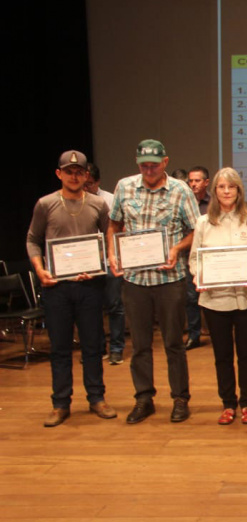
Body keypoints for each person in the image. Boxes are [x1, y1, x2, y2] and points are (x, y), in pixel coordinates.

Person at [107, 140, 200, 424]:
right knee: (140, 345)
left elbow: (196, 231)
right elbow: (114, 224)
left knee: (173, 342)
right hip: (135, 279)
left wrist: (176, 249)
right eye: (144, 165)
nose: (149, 170)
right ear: (137, 163)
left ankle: (180, 398)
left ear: (166, 162)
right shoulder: (124, 187)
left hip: (169, 278)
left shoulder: (180, 190)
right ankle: (144, 398)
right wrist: (112, 252)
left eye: (154, 165)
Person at [27, 150, 116, 427]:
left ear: (86, 175)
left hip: (90, 285)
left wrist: (104, 261)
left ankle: (97, 398)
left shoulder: (99, 204)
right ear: (59, 174)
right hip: (57, 288)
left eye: (79, 172)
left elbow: (108, 236)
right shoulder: (46, 204)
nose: (74, 176)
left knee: (92, 345)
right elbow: (32, 240)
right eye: (69, 171)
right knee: (60, 348)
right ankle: (60, 403)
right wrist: (40, 270)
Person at [188, 167, 247, 425]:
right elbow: (195, 259)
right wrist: (199, 276)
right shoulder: (203, 223)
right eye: (221, 187)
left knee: (246, 353)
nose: (227, 191)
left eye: (231, 187)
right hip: (214, 300)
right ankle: (228, 403)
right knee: (222, 354)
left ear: (239, 190)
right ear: (215, 190)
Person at [85, 163, 125, 365]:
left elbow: (119, 230)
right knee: (92, 307)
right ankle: (98, 347)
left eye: (90, 184)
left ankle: (117, 348)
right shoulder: (75, 202)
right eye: (84, 184)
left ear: (97, 182)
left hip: (110, 260)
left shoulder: (109, 200)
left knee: (115, 306)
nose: (86, 188)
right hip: (87, 262)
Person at [185, 166, 210, 350]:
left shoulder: (214, 204)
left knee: (211, 296)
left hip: (211, 257)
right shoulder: (184, 202)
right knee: (191, 297)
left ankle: (214, 332)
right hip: (190, 255)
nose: (193, 184)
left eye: (197, 180)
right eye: (191, 181)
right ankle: (194, 335)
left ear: (206, 182)